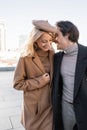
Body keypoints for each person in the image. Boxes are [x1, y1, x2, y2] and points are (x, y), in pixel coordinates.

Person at [13, 20, 57, 130]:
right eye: (44, 41)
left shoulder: (53, 54)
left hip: (50, 105)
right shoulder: (25, 58)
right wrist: (40, 81)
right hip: (34, 108)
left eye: (50, 41)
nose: (48, 45)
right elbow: (17, 84)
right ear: (35, 41)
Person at [52, 20, 87, 130]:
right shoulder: (57, 57)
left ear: (67, 34)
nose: (54, 39)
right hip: (65, 107)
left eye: (56, 35)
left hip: (84, 107)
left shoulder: (85, 53)